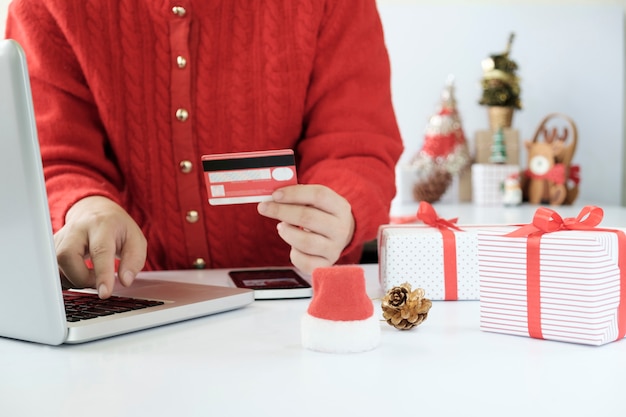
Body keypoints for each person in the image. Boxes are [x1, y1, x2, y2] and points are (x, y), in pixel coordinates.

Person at [5, 0, 403, 299]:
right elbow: (54, 155)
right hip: (133, 302)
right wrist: (85, 204)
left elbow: (358, 145)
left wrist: (340, 212)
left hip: (300, 303)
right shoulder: (48, 6)